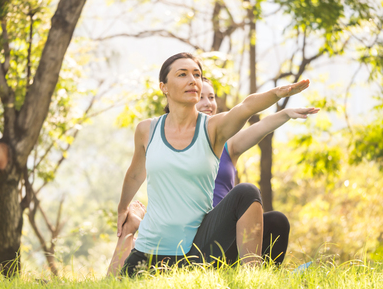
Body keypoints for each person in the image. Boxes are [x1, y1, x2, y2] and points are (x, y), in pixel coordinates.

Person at [109, 52, 311, 277]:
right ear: (164, 87)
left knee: (247, 192)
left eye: (196, 74)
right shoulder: (147, 130)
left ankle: (254, 280)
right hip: (150, 250)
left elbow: (245, 108)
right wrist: (122, 208)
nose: (192, 80)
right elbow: (136, 173)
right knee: (118, 287)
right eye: (182, 74)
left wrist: (277, 94)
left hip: (197, 248)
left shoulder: (213, 128)